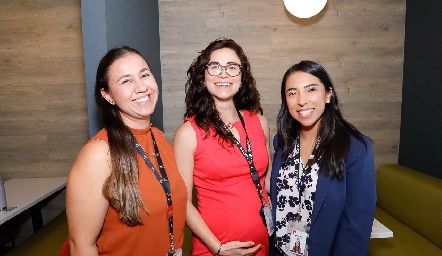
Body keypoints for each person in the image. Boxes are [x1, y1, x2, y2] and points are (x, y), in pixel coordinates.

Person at [66, 46, 187, 256]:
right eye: (126, 80)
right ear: (107, 95)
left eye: (144, 75)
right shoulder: (99, 154)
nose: (141, 87)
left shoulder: (157, 137)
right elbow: (81, 244)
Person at [173, 38, 271, 256]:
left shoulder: (260, 123)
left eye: (232, 67)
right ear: (203, 75)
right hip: (216, 248)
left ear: (242, 76)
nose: (223, 74)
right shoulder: (188, 133)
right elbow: (183, 203)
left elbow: (267, 181)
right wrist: (218, 248)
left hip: (263, 244)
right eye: (214, 67)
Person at [269, 60, 376, 256]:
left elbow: (356, 227)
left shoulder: (356, 148)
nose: (302, 100)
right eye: (292, 93)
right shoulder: (282, 142)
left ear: (328, 94)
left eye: (311, 90)